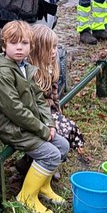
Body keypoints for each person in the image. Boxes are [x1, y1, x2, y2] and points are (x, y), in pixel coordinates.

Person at [0, 19, 69, 213]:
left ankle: (42, 186)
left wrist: (48, 123)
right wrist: (41, 129)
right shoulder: (2, 73)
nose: (19, 48)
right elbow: (15, 110)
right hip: (12, 128)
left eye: (24, 44)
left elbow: (40, 98)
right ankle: (26, 197)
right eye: (14, 43)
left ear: (31, 46)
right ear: (4, 44)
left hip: (30, 124)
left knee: (62, 146)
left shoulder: (24, 66)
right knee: (50, 154)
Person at [28, 23, 84, 154]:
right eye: (49, 48)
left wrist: (58, 113)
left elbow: (54, 96)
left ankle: (52, 159)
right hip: (38, 114)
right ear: (38, 50)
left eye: (55, 47)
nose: (54, 52)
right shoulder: (32, 73)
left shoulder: (51, 68)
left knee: (71, 129)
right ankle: (39, 161)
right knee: (64, 131)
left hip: (49, 111)